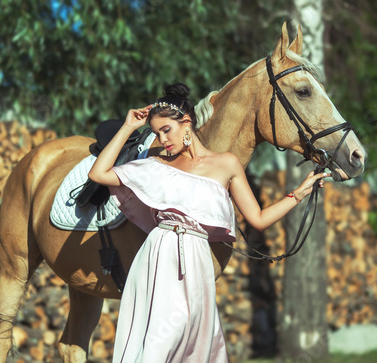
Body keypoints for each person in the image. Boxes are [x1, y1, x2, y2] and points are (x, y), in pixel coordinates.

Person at [88, 83, 328, 362]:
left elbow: (258, 219)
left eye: (166, 130)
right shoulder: (157, 165)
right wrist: (129, 126)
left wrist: (298, 194)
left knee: (196, 341)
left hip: (197, 258)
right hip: (159, 254)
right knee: (158, 340)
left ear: (186, 122)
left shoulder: (226, 164)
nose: (162, 139)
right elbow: (99, 174)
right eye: (156, 133)